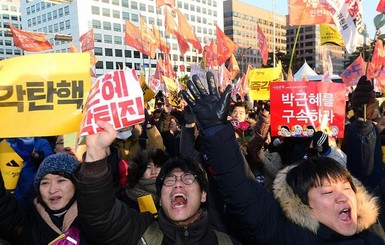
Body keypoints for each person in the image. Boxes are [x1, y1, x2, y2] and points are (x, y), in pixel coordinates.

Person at [181, 71, 385, 244]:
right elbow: (242, 191)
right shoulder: (289, 234)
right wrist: (216, 130)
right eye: (328, 192)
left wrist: (363, 122)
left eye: (347, 188)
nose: (343, 197)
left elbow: (367, 174)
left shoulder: (374, 229)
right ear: (304, 205)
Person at [74, 120, 240, 244]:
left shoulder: (226, 242)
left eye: (188, 178)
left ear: (203, 194)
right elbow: (100, 217)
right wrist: (95, 154)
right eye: (169, 180)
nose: (178, 184)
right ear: (160, 198)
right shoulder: (138, 232)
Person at [0, 153, 89, 244]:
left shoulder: (92, 217)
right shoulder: (28, 219)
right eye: (45, 183)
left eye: (61, 180)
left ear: (76, 184)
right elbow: (3, 208)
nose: (52, 190)